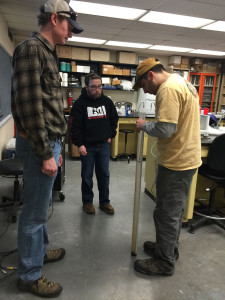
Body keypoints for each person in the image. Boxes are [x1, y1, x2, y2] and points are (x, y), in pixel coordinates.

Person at [11, 0, 83, 297]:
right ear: (54, 18)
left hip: (50, 143)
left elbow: (48, 107)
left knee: (42, 207)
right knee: (34, 213)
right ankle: (29, 274)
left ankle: (38, 252)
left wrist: (57, 149)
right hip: (39, 145)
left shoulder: (48, 53)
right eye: (69, 26)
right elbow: (30, 109)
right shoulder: (31, 49)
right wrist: (45, 153)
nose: (71, 33)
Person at [133, 57, 202, 276]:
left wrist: (145, 125)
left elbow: (165, 130)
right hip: (186, 158)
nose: (148, 92)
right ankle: (169, 248)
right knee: (173, 210)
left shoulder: (167, 89)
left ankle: (164, 261)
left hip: (176, 162)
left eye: (144, 86)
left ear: (150, 75)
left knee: (166, 213)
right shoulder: (182, 81)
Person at [70, 73, 118, 215]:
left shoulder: (107, 102)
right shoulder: (79, 104)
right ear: (86, 87)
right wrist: (79, 144)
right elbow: (74, 127)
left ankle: (105, 202)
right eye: (93, 87)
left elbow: (114, 119)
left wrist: (110, 135)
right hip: (87, 147)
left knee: (104, 175)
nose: (97, 90)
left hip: (103, 145)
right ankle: (88, 202)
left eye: (99, 86)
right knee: (86, 176)